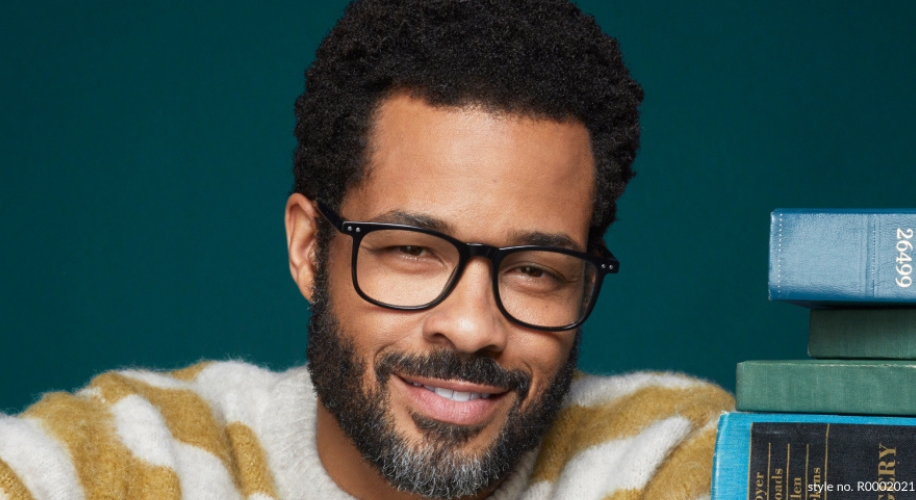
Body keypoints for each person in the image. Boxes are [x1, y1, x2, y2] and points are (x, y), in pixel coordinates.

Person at [0, 0, 733, 499]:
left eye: (535, 270)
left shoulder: (674, 457)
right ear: (310, 248)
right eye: (413, 251)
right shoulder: (136, 459)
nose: (473, 327)